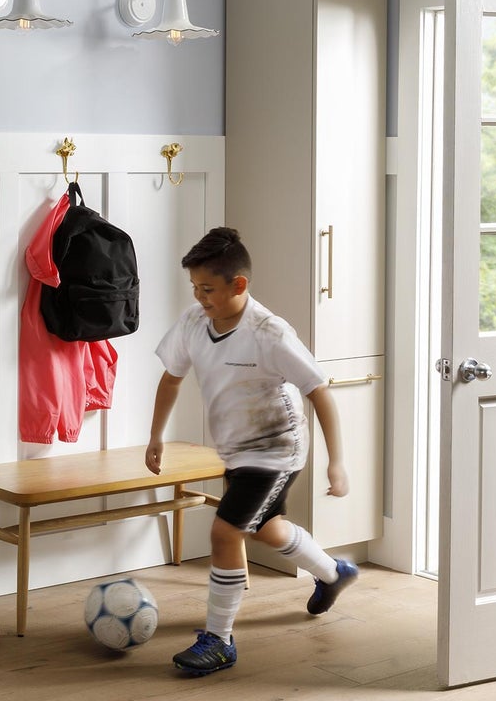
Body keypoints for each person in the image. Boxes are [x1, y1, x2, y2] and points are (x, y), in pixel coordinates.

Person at [145, 226, 357, 676]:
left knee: (225, 533)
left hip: (276, 449)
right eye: (194, 287)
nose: (199, 297)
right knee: (265, 528)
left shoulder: (269, 332)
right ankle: (333, 573)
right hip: (236, 450)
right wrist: (155, 436)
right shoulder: (194, 323)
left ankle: (220, 641)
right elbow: (171, 379)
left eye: (207, 289)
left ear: (238, 284)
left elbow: (319, 391)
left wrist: (336, 462)